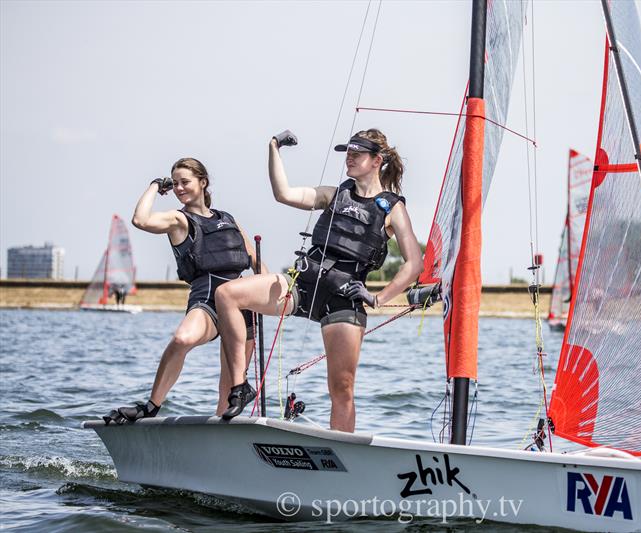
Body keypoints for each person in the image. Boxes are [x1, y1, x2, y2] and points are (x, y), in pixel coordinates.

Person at [215, 129, 423, 432]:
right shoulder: (334, 193)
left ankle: (341, 452)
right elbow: (283, 193)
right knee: (228, 295)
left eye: (357, 154)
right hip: (302, 283)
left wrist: (379, 297)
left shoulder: (392, 208)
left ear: (377, 160)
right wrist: (273, 148)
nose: (349, 159)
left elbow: (414, 263)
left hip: (344, 298)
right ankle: (239, 386)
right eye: (347, 153)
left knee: (342, 387)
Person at [103, 158, 258, 424]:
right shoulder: (179, 219)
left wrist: (274, 289)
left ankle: (225, 437)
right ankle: (151, 406)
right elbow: (140, 219)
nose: (179, 188)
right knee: (183, 339)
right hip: (208, 301)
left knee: (231, 389)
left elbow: (254, 259)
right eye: (174, 183)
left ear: (203, 182)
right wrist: (155, 185)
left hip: (243, 306)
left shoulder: (228, 219)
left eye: (184, 182)